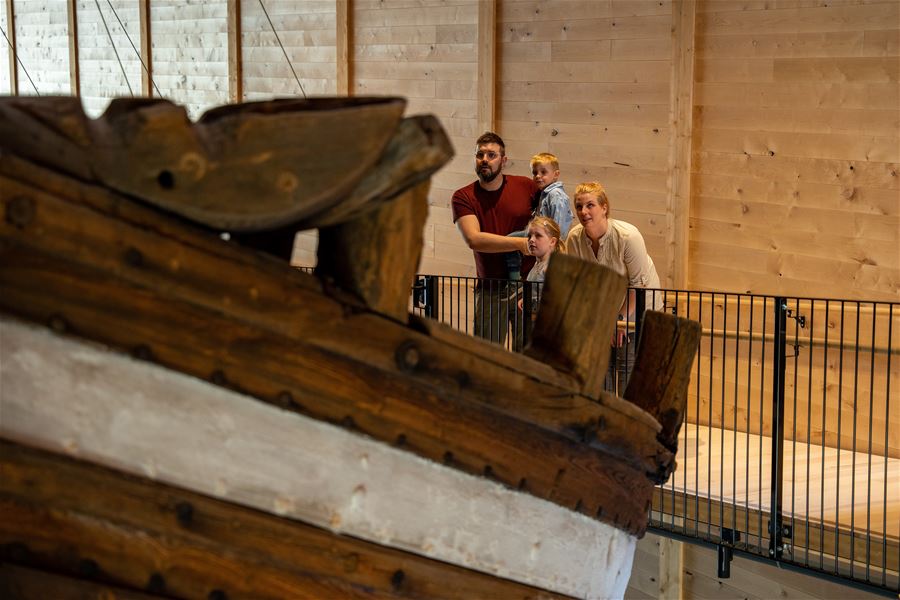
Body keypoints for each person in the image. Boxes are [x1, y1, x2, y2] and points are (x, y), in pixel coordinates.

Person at [565, 181, 662, 393]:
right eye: (579, 206)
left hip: (638, 307)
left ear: (604, 207)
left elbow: (638, 285)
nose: (584, 211)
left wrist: (619, 322)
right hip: (603, 310)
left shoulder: (628, 236)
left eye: (590, 205)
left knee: (627, 367)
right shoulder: (574, 238)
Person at [451, 132, 536, 349]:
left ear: (503, 161)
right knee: (487, 357)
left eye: (492, 155)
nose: (485, 160)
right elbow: (474, 239)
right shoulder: (463, 196)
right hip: (490, 288)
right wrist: (518, 243)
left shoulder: (526, 187)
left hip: (528, 288)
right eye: (480, 155)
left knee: (528, 357)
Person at [505, 152, 574, 280]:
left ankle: (514, 283)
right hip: (541, 234)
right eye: (535, 173)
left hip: (548, 238)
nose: (538, 176)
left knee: (509, 241)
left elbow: (557, 225)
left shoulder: (555, 196)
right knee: (510, 242)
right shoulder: (544, 193)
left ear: (556, 174)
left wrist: (553, 245)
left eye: (543, 172)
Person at [517, 215, 566, 323]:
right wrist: (525, 299)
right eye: (529, 236)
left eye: (538, 236)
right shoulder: (537, 264)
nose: (531, 240)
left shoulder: (552, 267)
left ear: (552, 242)